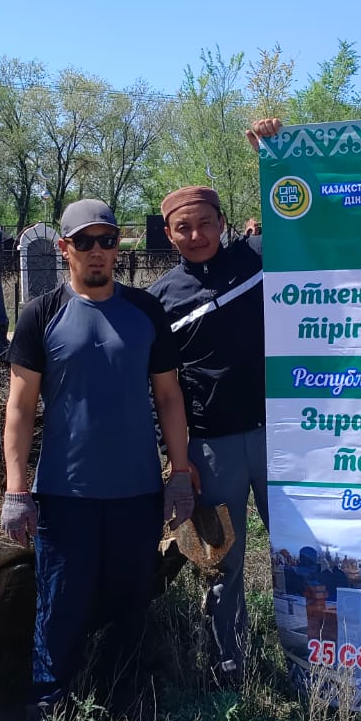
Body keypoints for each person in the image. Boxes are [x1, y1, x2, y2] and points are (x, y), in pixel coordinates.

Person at [1, 198, 196, 721]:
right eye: (84, 242)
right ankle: (47, 719)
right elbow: (20, 408)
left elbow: (169, 397)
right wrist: (16, 490)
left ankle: (122, 705)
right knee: (60, 608)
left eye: (107, 240)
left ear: (118, 247)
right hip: (67, 497)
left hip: (137, 494)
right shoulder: (41, 314)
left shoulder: (144, 312)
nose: (97, 252)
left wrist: (180, 474)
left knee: (130, 606)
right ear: (65, 249)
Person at [147, 174, 268, 687]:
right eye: (183, 228)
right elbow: (161, 389)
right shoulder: (159, 300)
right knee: (220, 559)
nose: (196, 235)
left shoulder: (257, 260)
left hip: (280, 439)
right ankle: (228, 663)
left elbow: (303, 219)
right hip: (209, 450)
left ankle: (312, 652)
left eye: (205, 224)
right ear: (168, 234)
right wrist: (178, 461)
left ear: (223, 222)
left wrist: (272, 158)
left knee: (298, 549)